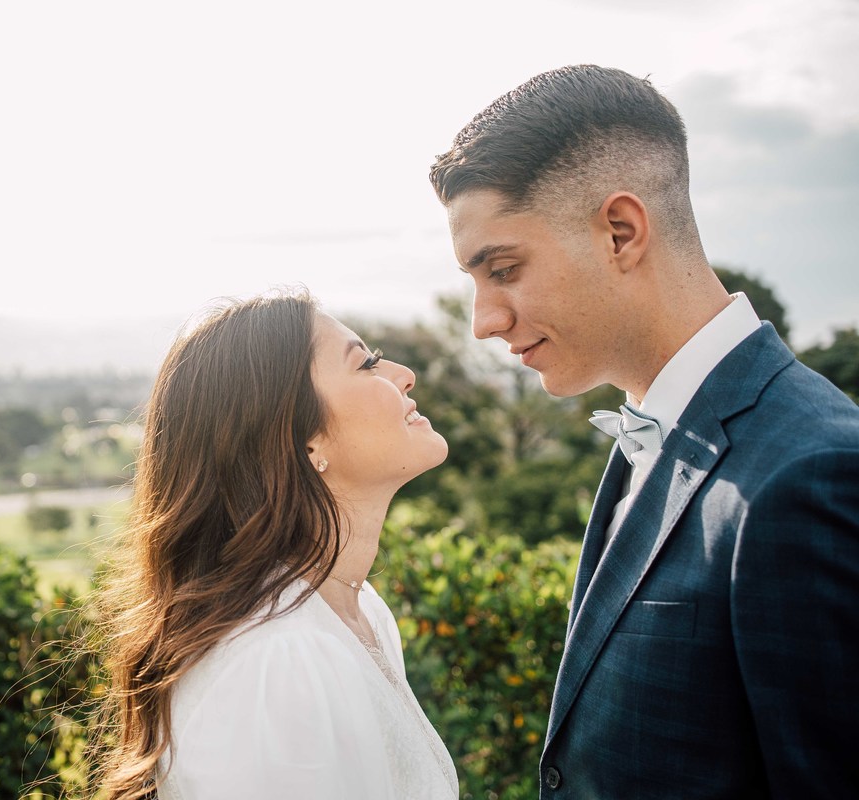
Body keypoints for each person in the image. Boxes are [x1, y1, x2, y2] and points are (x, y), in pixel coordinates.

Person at [429, 64, 859, 799]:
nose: (484, 321)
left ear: (621, 232)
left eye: (503, 268)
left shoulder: (812, 473)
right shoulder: (660, 432)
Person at [87, 291, 460, 799]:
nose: (403, 373)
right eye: (366, 363)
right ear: (305, 440)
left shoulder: (361, 614)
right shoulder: (278, 658)